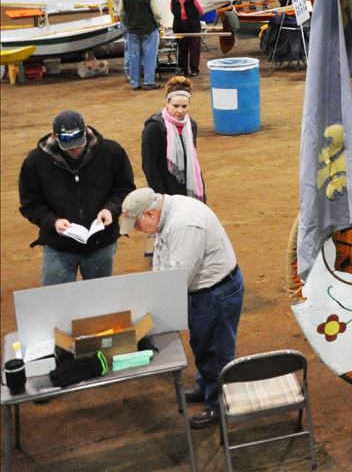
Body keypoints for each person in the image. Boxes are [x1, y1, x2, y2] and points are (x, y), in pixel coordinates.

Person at [119, 188, 243, 428]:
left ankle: (218, 405)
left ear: (149, 213)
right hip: (202, 292)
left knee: (216, 350)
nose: (137, 231)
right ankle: (206, 386)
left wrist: (150, 308)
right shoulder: (167, 213)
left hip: (215, 293)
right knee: (202, 344)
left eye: (136, 225)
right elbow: (162, 260)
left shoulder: (185, 225)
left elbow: (178, 279)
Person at [19, 111, 134, 286]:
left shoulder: (111, 152)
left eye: (78, 143)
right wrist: (53, 221)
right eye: (68, 145)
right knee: (56, 301)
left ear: (86, 130)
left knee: (100, 300)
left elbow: (124, 189)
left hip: (101, 243)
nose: (75, 149)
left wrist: (110, 209)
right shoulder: (35, 162)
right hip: (59, 246)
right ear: (54, 137)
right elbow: (30, 203)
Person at [141, 76, 206, 200]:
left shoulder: (191, 125)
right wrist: (161, 196)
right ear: (166, 102)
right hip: (166, 190)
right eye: (175, 106)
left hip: (189, 187)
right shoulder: (154, 128)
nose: (180, 111)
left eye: (184, 106)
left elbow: (192, 159)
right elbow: (149, 166)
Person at [121, 0, 165, 90]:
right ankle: (148, 82)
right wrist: (158, 24)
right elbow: (157, 14)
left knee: (134, 56)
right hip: (149, 30)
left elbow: (121, 12)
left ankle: (134, 83)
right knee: (149, 56)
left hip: (132, 30)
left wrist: (128, 23)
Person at [170, 0, 206, 77]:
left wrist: (193, 18)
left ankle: (194, 69)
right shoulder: (173, 0)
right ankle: (183, 68)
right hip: (179, 26)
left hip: (193, 26)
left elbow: (200, 11)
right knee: (182, 48)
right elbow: (173, 11)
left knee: (194, 48)